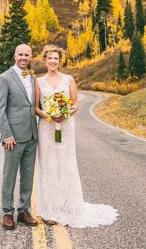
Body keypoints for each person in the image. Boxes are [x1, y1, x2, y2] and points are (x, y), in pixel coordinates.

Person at [33, 44, 118, 227]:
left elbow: (75, 103)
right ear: (45, 60)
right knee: (49, 165)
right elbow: (36, 107)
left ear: (60, 61)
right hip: (47, 127)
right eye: (50, 58)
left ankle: (69, 208)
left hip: (66, 125)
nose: (53, 61)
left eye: (56, 58)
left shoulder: (69, 79)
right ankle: (50, 211)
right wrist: (49, 116)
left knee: (66, 163)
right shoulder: (38, 82)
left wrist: (65, 114)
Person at [0, 43, 39, 230]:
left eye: (26, 55)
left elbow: (33, 105)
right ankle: (7, 212)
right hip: (13, 137)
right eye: (20, 54)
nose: (23, 58)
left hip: (31, 135)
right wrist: (7, 135)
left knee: (28, 175)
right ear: (14, 56)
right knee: (10, 175)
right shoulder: (4, 78)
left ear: (30, 57)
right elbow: (0, 109)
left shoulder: (33, 77)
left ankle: (23, 210)